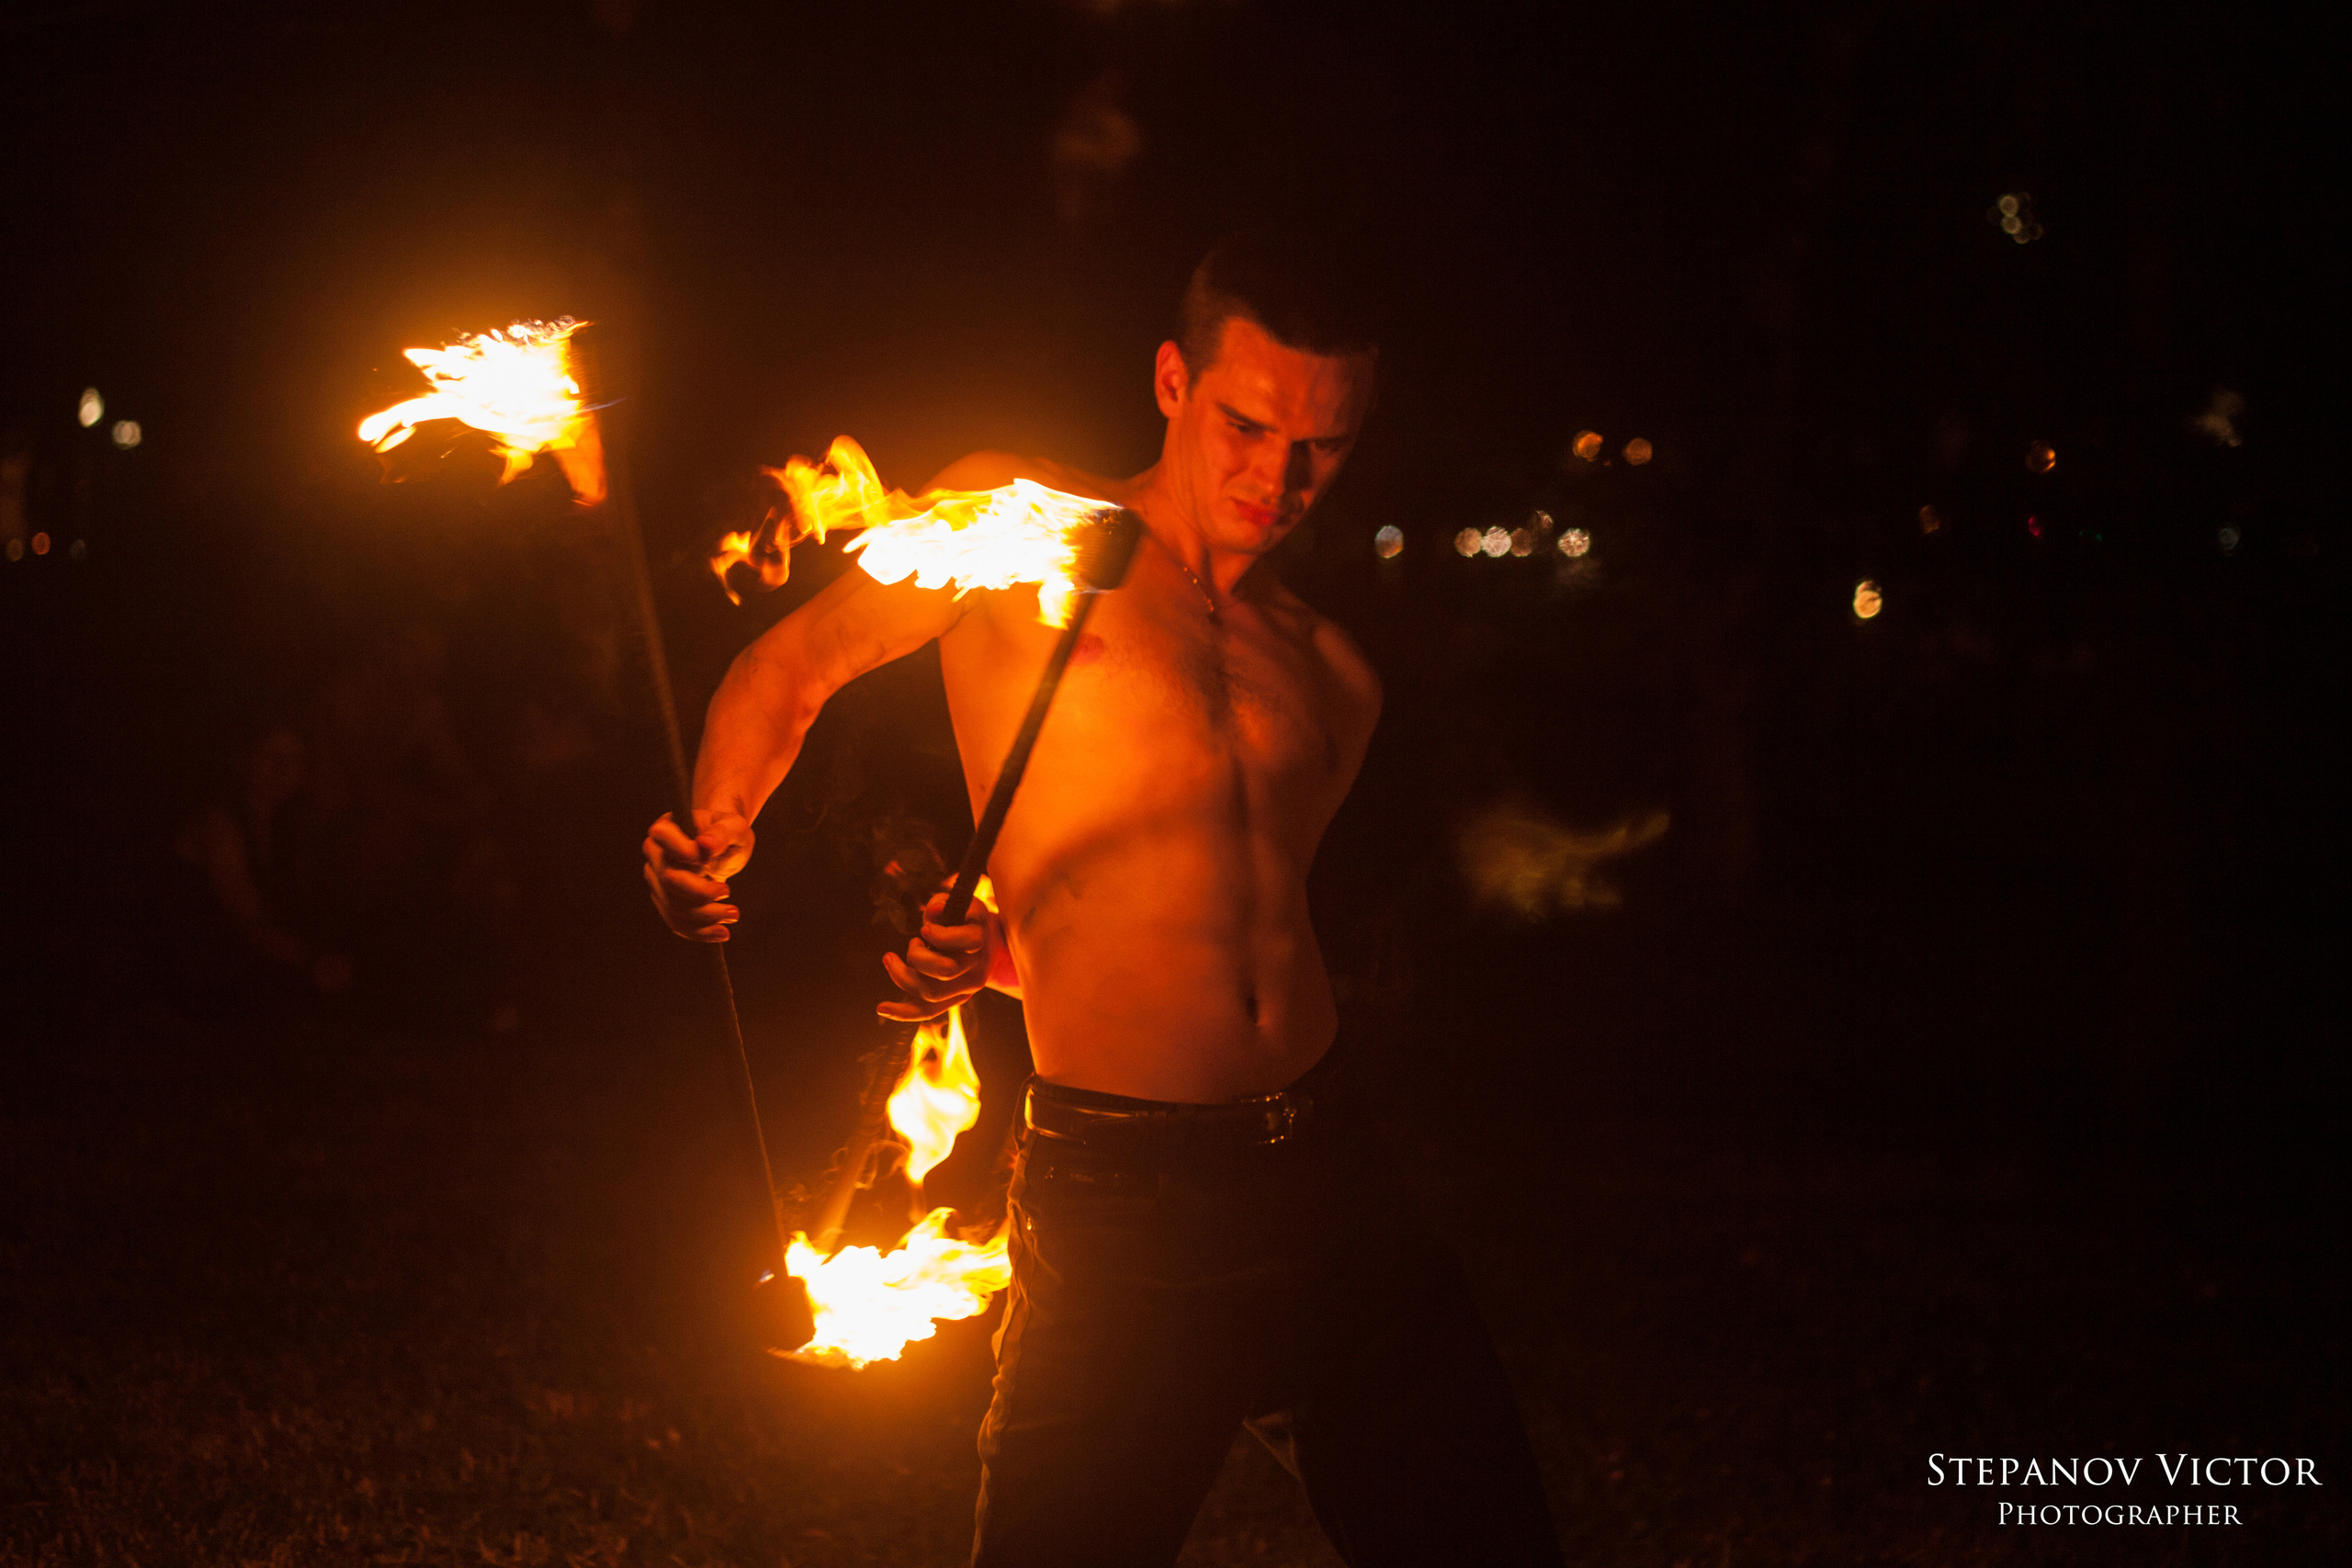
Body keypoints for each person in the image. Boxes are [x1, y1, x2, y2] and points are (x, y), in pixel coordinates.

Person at [644, 231, 1563, 1566]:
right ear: (1172, 381)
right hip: (1126, 1196)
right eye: (1248, 424)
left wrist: (1001, 959)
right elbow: (788, 672)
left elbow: (1197, 923)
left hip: (1333, 1166)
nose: (1278, 476)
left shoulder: (1334, 675)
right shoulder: (1017, 524)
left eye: (1324, 445)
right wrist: (713, 831)